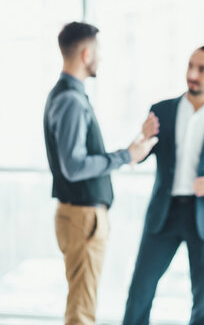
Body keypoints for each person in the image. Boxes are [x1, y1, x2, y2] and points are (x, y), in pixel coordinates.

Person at [123, 45, 204, 325]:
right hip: (164, 213)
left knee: (203, 299)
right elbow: (139, 155)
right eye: (190, 66)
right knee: (140, 291)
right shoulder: (161, 111)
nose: (193, 74)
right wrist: (142, 139)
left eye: (202, 69)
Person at [43, 21, 159, 325]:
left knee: (81, 303)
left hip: (81, 217)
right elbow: (74, 165)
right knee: (82, 311)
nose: (100, 58)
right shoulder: (70, 99)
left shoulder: (68, 95)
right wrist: (124, 156)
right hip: (82, 219)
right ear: (85, 53)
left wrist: (131, 150)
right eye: (98, 51)